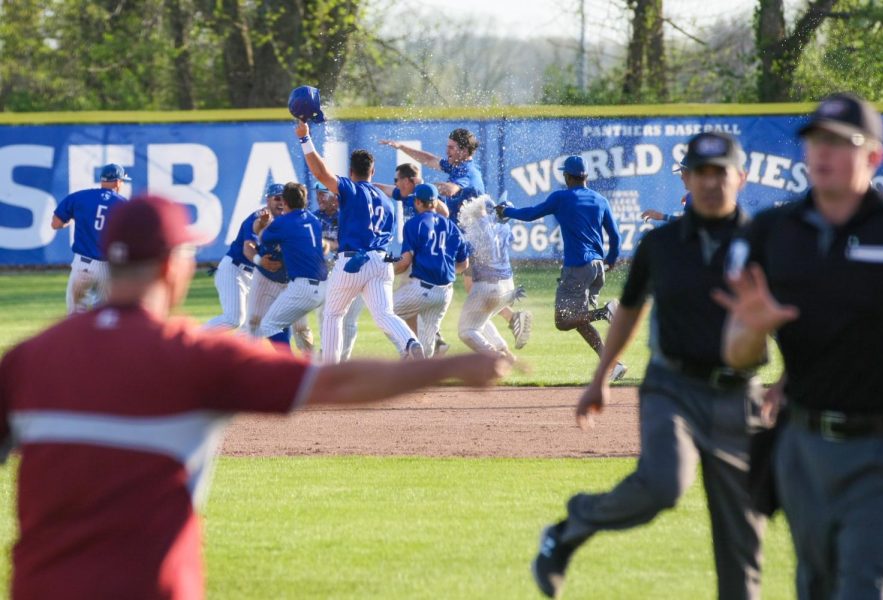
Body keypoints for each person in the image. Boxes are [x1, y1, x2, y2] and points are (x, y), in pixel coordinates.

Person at [0, 194, 510, 599]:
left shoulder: (28, 359)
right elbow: (335, 383)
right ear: (172, 267)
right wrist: (451, 366)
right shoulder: (197, 359)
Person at [531, 132, 767, 600]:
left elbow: (794, 318)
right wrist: (601, 378)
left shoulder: (760, 242)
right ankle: (575, 522)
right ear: (686, 178)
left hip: (740, 394)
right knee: (663, 486)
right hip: (671, 386)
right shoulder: (661, 244)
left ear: (739, 177)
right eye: (699, 172)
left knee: (741, 536)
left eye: (719, 172)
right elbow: (630, 311)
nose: (709, 182)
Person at [716, 93, 883, 600]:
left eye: (842, 142)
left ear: (874, 157)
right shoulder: (774, 233)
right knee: (814, 585)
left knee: (866, 585)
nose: (825, 152)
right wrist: (752, 329)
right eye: (818, 140)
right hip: (803, 448)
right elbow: (737, 354)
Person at [381, 132, 532, 350]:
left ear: (463, 150)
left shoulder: (467, 172)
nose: (447, 151)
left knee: (476, 297)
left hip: (473, 243)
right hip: (468, 242)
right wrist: (402, 147)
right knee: (475, 297)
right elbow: (430, 159)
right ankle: (508, 327)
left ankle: (506, 332)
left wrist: (443, 189)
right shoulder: (459, 166)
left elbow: (457, 187)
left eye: (451, 147)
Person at [295, 120, 424, 363]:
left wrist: (305, 139)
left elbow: (321, 174)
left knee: (333, 314)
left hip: (353, 261)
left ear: (351, 171)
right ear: (372, 171)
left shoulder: (350, 189)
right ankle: (410, 342)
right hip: (381, 261)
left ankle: (330, 372)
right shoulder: (386, 200)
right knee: (384, 314)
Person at [498, 155, 626, 381]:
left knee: (562, 321)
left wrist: (506, 211)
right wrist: (611, 260)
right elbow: (615, 236)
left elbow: (530, 214)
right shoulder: (600, 199)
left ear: (567, 177)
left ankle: (606, 312)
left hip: (577, 267)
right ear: (585, 176)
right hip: (597, 269)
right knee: (579, 319)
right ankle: (612, 364)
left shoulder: (561, 198)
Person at [393, 184, 469, 357]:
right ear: (435, 203)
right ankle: (418, 374)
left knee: (385, 314)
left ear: (418, 202)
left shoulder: (414, 224)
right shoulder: (452, 228)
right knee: (426, 349)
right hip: (444, 294)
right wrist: (443, 270)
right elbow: (463, 265)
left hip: (421, 289)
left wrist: (388, 271)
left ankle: (406, 352)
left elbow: (405, 262)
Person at [51, 163, 129, 314]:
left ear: (102, 180)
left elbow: (56, 224)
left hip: (83, 265)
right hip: (109, 267)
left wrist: (76, 218)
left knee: (75, 318)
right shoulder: (124, 205)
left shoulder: (80, 197)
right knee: (105, 319)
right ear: (118, 181)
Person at [456, 195, 527, 361]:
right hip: (508, 285)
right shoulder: (506, 229)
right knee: (480, 318)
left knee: (467, 331)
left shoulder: (484, 227)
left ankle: (496, 357)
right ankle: (504, 349)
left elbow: (480, 219)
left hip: (489, 284)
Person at [257, 182, 328, 347]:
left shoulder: (282, 222)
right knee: (282, 321)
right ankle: (310, 361)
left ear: (286, 203)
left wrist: (264, 223)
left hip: (303, 287)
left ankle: (289, 369)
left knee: (268, 325)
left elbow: (263, 238)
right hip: (324, 285)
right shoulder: (314, 219)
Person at [207, 184, 283, 330]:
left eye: (285, 199)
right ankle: (190, 340)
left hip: (254, 275)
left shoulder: (285, 221)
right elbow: (248, 248)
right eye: (277, 198)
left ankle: (238, 353)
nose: (281, 202)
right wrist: (260, 261)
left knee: (254, 324)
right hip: (235, 270)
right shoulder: (260, 217)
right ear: (268, 200)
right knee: (234, 319)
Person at [313, 180, 364, 360]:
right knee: (325, 315)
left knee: (349, 320)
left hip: (353, 271)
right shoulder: (314, 218)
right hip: (326, 274)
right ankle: (328, 352)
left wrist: (329, 244)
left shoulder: (348, 216)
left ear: (335, 196)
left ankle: (343, 360)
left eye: (323, 193)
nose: (319, 197)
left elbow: (354, 243)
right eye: (317, 193)